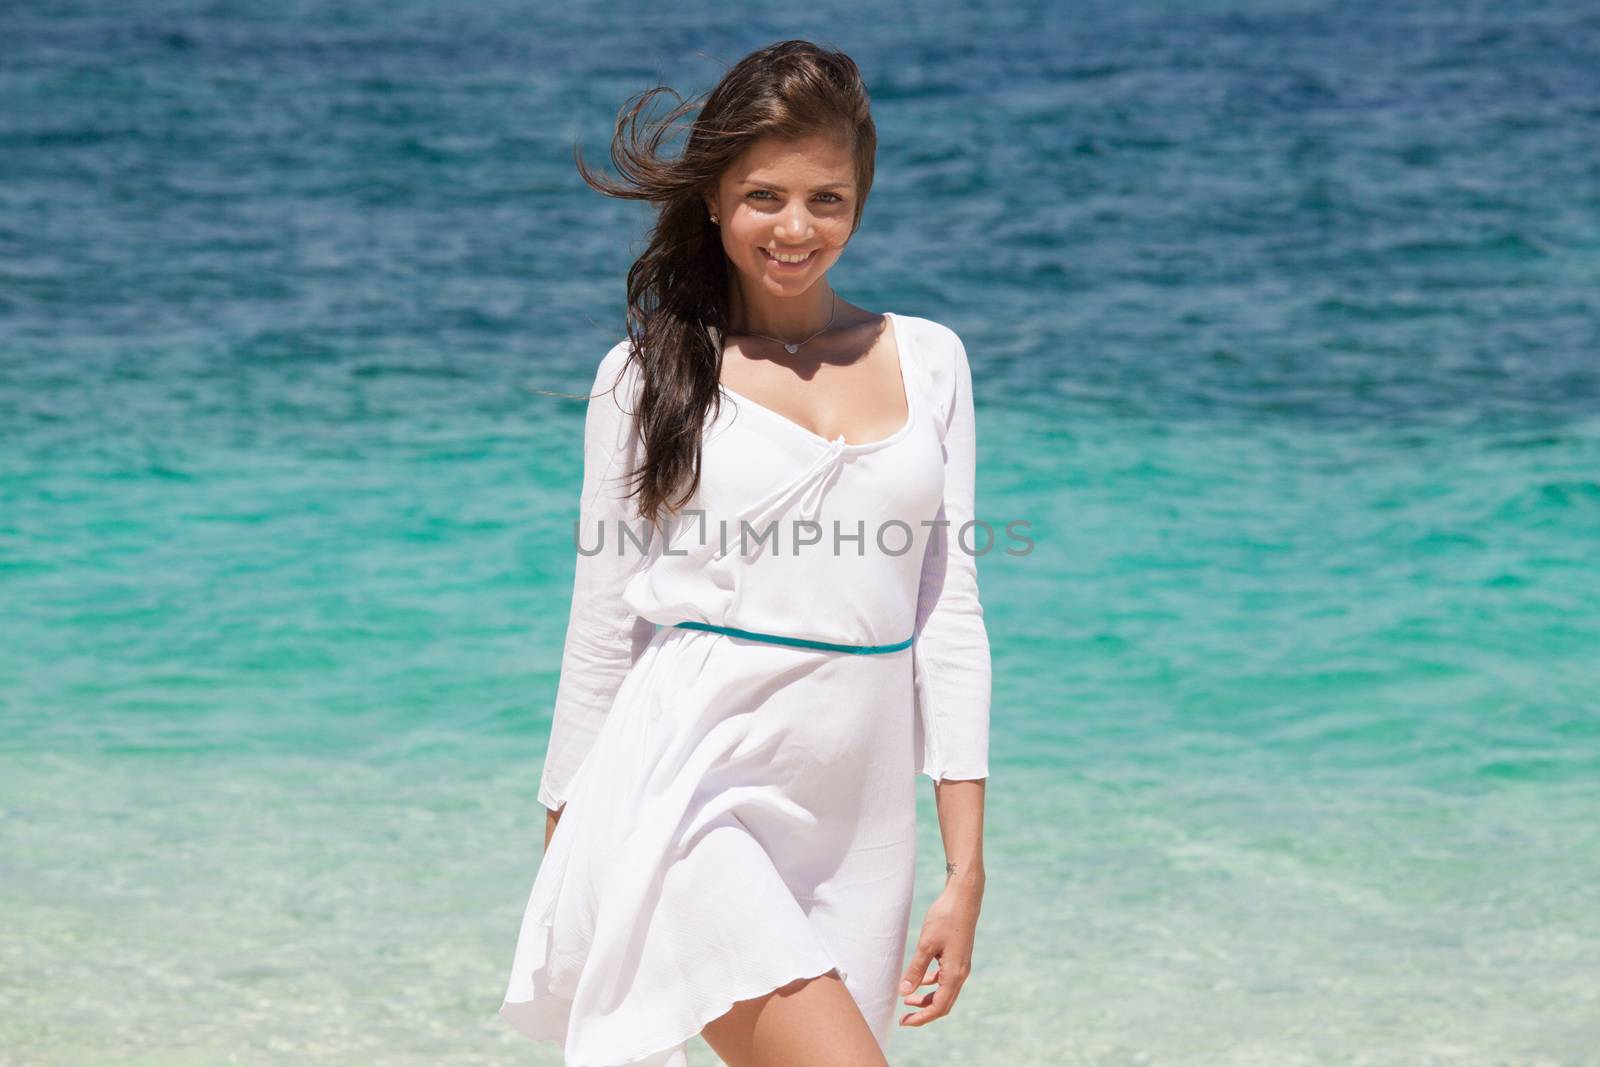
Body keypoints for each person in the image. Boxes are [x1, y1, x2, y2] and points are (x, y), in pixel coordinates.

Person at [499, 39, 991, 1067]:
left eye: (828, 198)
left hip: (861, 814)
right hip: (688, 787)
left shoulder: (931, 358)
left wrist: (965, 866)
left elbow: (947, 613)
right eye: (764, 196)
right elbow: (601, 625)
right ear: (716, 198)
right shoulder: (645, 375)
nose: (795, 227)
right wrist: (566, 849)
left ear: (862, 200)